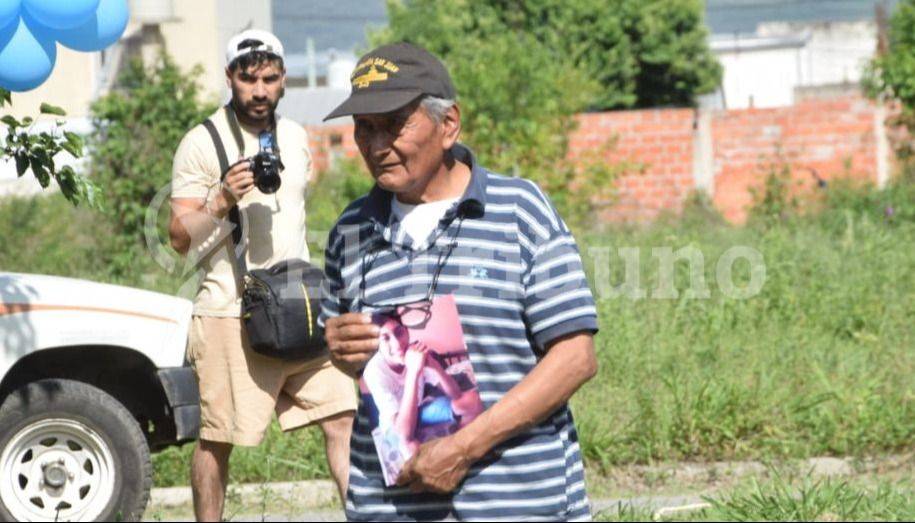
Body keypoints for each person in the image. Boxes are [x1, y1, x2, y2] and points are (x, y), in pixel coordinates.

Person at [320, 42, 599, 521]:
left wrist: (463, 449)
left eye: (394, 124)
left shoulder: (520, 211)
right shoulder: (350, 230)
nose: (376, 144)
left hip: (515, 504)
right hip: (390, 508)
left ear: (448, 124)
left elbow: (575, 357)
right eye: (365, 128)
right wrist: (341, 348)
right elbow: (358, 363)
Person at [168, 29, 357, 521]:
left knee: (343, 420)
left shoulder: (295, 137)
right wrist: (221, 199)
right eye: (248, 79)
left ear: (283, 79)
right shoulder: (201, 142)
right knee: (218, 440)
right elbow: (178, 238)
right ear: (230, 77)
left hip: (300, 306)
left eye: (269, 79)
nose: (259, 90)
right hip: (232, 313)